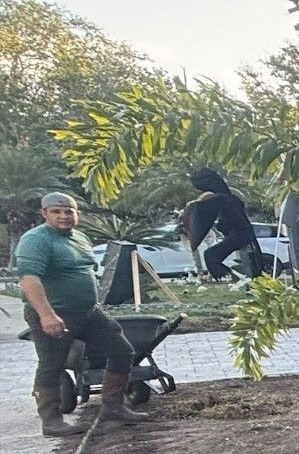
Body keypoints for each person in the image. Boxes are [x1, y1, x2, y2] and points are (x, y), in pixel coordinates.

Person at [13, 191, 150, 436]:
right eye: (56, 211)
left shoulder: (79, 237)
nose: (64, 216)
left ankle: (114, 407)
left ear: (78, 214)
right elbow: (28, 279)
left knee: (122, 350)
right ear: (44, 213)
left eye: (69, 211)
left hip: (88, 312)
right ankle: (52, 421)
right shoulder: (36, 240)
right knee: (51, 365)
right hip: (55, 312)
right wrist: (46, 315)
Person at [182, 167, 267, 281]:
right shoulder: (231, 198)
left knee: (211, 255)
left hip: (240, 235)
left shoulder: (220, 199)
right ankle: (238, 278)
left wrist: (188, 211)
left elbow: (201, 210)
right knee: (247, 262)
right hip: (243, 234)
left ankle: (233, 278)